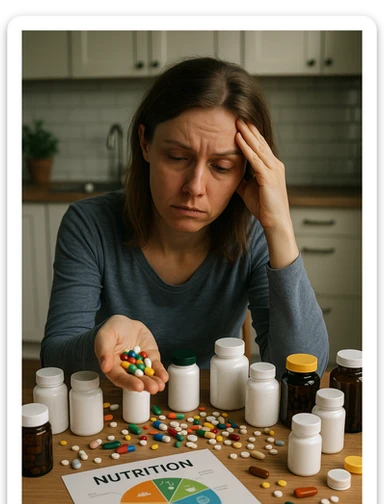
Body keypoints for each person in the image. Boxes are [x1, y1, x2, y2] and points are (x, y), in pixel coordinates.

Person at [40, 56, 329, 395]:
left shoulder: (252, 235)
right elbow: (53, 362)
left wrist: (279, 225)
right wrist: (99, 339)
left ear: (247, 171)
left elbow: (302, 369)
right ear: (145, 143)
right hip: (113, 408)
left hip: (211, 409)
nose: (195, 186)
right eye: (177, 158)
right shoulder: (88, 225)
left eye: (221, 166)